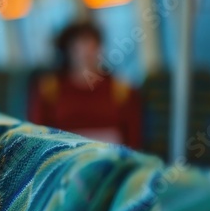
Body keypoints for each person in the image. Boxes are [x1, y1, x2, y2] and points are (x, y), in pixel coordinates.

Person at [28, 21, 142, 149]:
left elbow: (133, 139)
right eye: (79, 46)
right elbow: (38, 136)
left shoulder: (122, 90)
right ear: (68, 50)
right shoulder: (48, 89)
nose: (86, 52)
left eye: (91, 45)